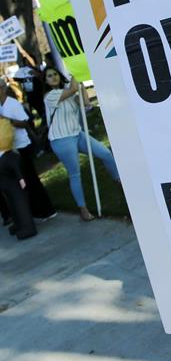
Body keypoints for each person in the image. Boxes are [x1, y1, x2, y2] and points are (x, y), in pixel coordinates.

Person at [43, 67, 120, 222]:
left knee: (105, 153)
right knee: (75, 173)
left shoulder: (68, 91)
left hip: (77, 134)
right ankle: (83, 209)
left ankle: (119, 182)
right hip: (61, 139)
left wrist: (82, 85)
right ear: (45, 81)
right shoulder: (50, 96)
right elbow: (71, 90)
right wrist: (76, 72)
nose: (53, 77)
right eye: (49, 76)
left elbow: (85, 103)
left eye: (55, 74)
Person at [0, 76, 56, 220]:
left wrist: (8, 121)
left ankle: (47, 210)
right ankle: (35, 210)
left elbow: (25, 123)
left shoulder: (12, 104)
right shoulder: (1, 105)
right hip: (11, 148)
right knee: (25, 182)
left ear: (3, 89)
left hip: (22, 145)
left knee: (32, 179)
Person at [0, 118, 36, 240]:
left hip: (13, 185)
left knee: (19, 202)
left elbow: (16, 168)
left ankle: (28, 227)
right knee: (11, 203)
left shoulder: (10, 156)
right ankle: (19, 224)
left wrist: (21, 178)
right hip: (5, 184)